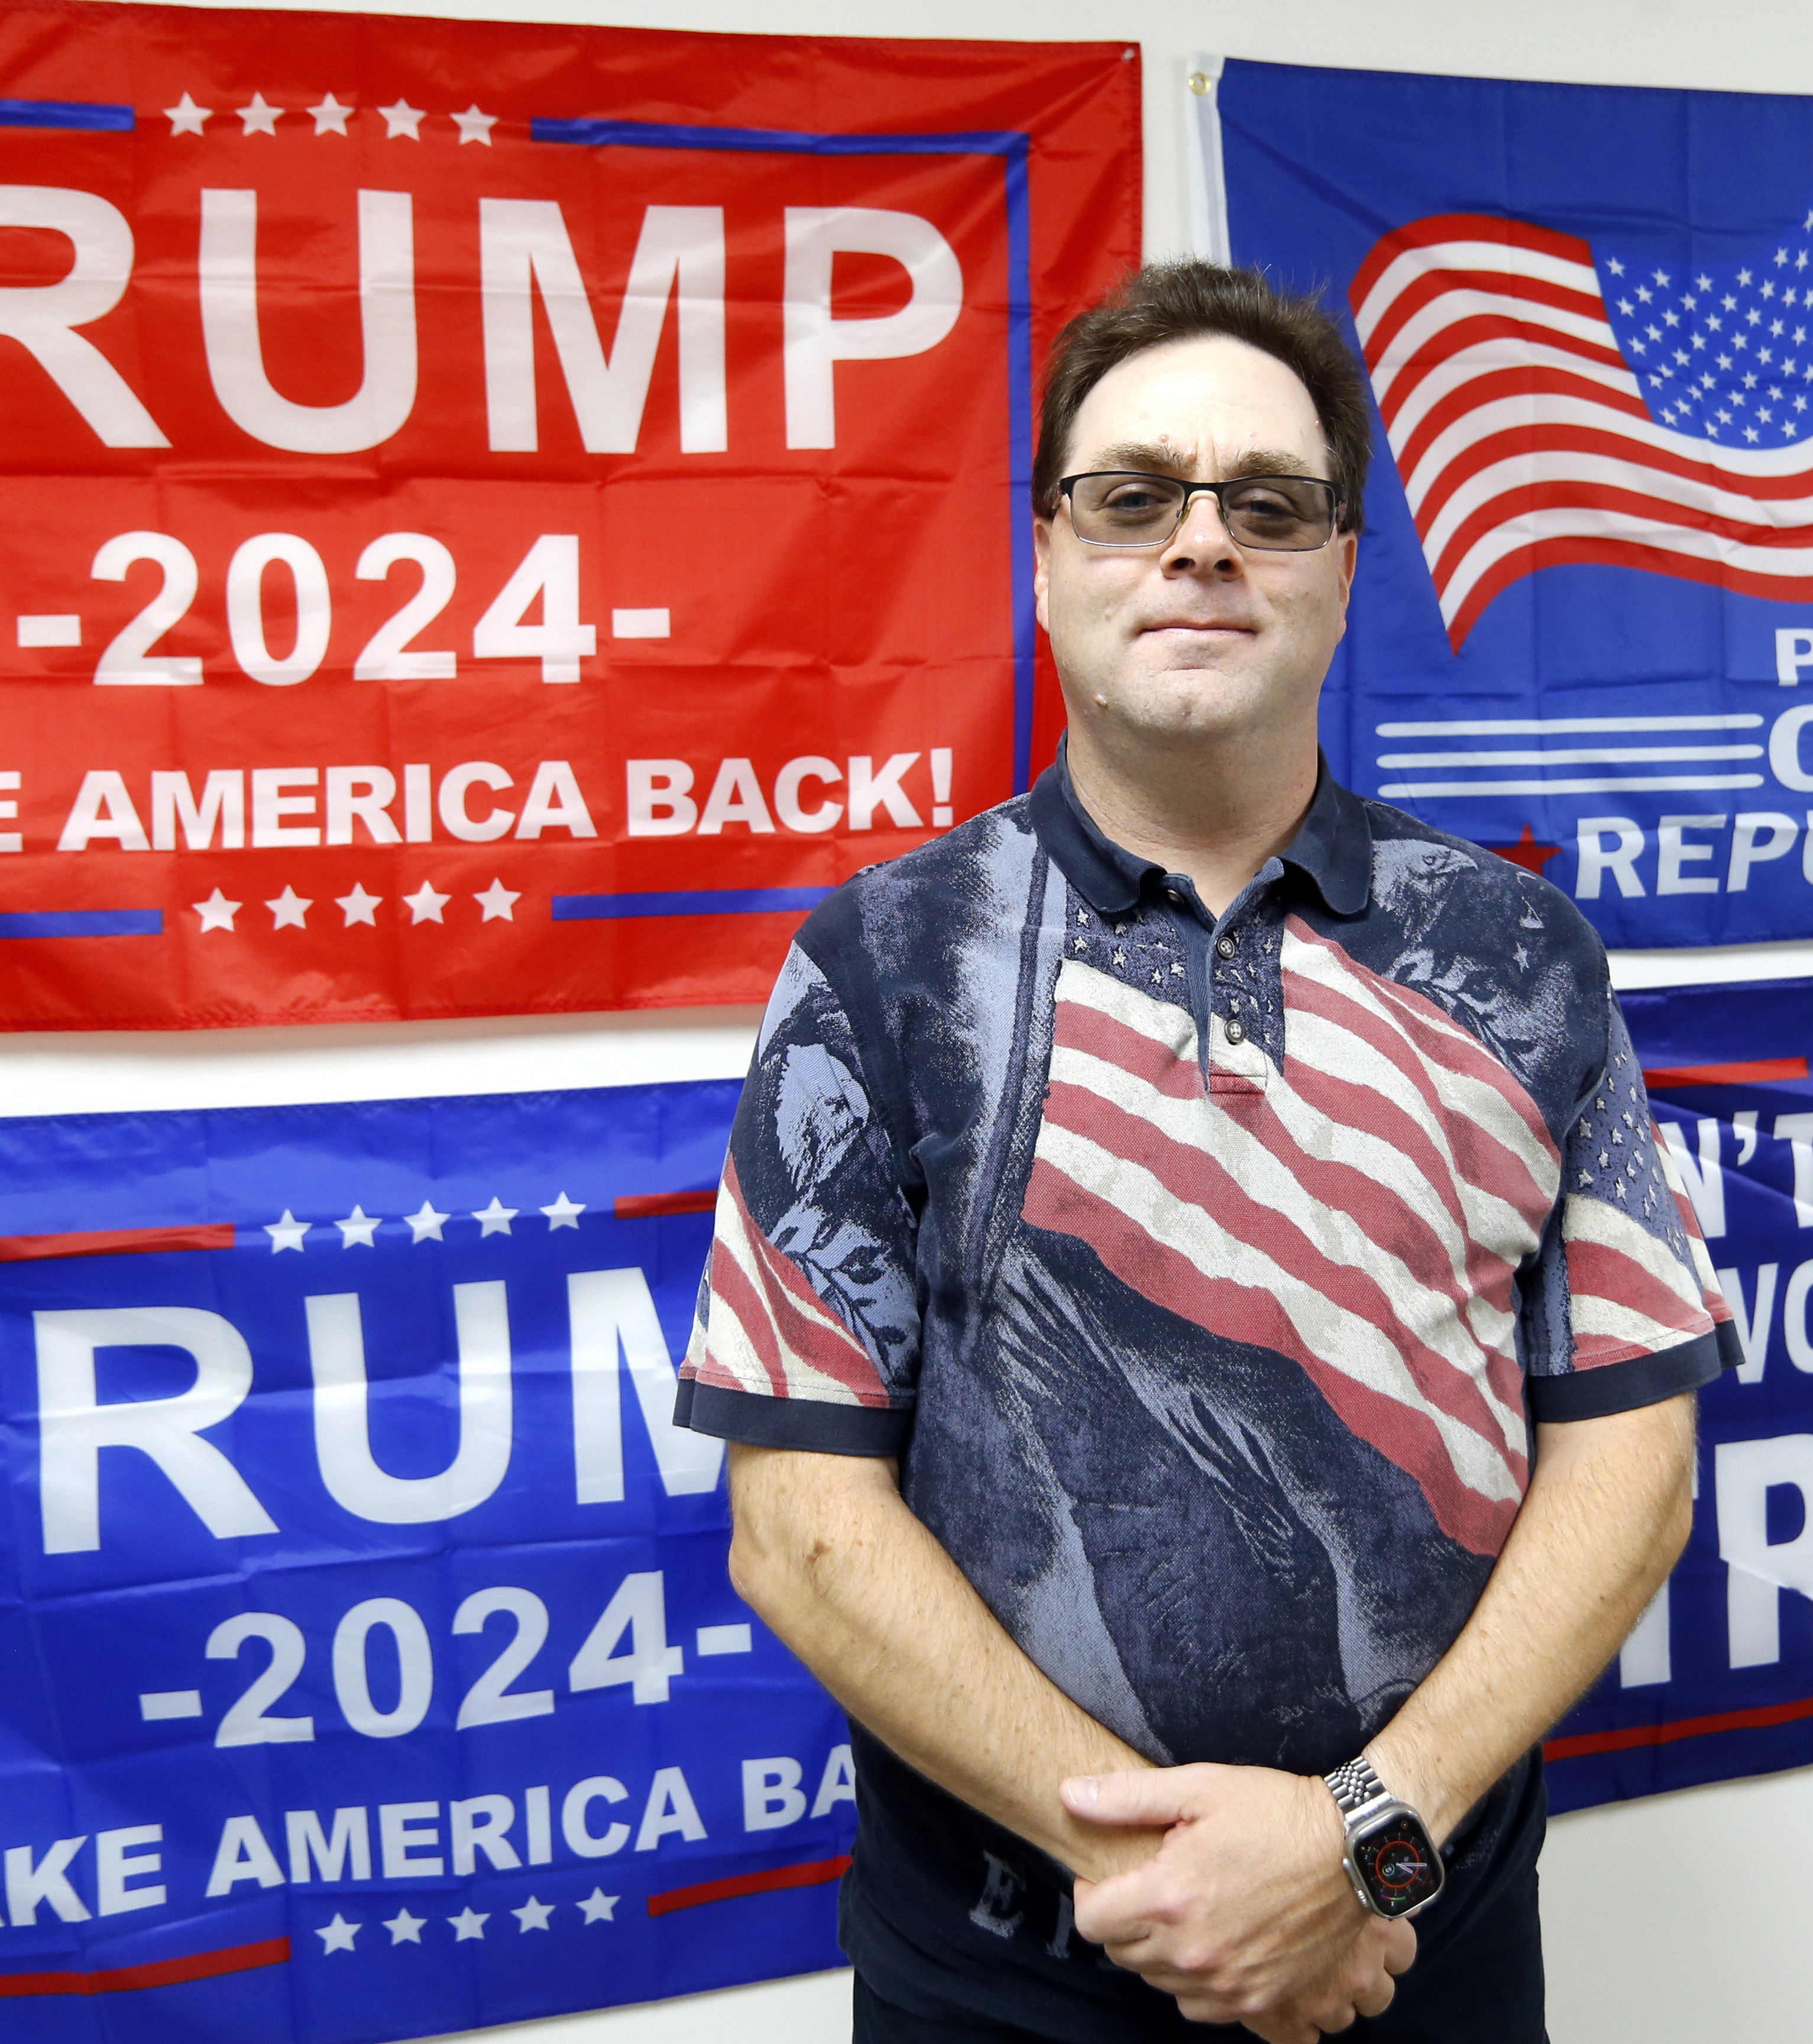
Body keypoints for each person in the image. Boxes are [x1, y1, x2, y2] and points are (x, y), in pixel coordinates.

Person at [674, 260, 1734, 2044]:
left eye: (1270, 504)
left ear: (1339, 568)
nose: (1200, 546)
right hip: (1009, 1984)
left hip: (1425, 1950)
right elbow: (798, 1529)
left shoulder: (1518, 954)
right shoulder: (881, 961)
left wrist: (1360, 1851)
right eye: (1135, 497)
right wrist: (1181, 1889)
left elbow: (1635, 1477)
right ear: (1046, 557)